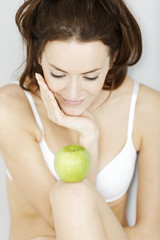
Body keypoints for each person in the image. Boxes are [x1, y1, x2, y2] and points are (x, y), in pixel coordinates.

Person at [0, 0, 160, 239]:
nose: (73, 94)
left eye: (90, 77)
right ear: (38, 53)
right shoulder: (10, 108)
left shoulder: (148, 108)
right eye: (58, 74)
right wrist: (89, 139)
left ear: (113, 57)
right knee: (70, 195)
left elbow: (150, 233)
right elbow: (62, 219)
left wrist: (89, 134)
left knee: (71, 195)